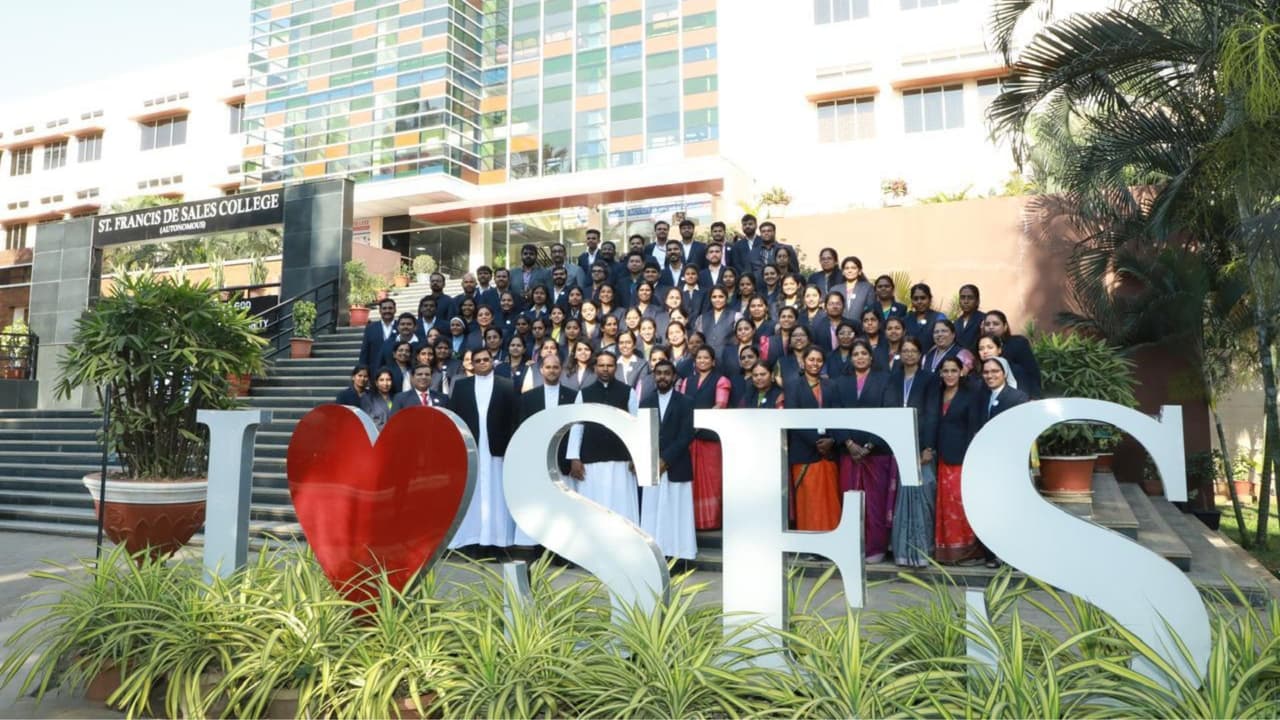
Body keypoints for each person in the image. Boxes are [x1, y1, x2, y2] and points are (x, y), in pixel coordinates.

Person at [448, 347, 518, 550]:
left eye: (486, 359)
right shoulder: (461, 386)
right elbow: (454, 418)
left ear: (492, 361)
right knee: (472, 494)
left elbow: (513, 418)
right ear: (472, 364)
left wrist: (510, 447)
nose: (482, 363)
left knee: (497, 495)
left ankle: (497, 542)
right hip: (471, 449)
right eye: (477, 360)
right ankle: (471, 540)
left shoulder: (506, 385)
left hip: (498, 449)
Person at [833, 340, 894, 562]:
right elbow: (835, 413)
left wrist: (869, 445)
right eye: (855, 354)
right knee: (850, 500)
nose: (859, 357)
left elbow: (888, 413)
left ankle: (875, 548)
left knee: (875, 503)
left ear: (871, 357)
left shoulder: (885, 380)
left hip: (876, 453)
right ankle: (852, 546)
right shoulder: (840, 382)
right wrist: (848, 443)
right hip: (848, 452)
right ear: (850, 359)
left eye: (863, 353)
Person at [567, 352, 641, 523]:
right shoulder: (584, 393)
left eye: (609, 365)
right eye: (601, 365)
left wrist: (636, 457)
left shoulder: (628, 392)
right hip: (591, 460)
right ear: (595, 368)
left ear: (616, 367)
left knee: (621, 507)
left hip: (621, 461)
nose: (605, 369)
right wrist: (574, 457)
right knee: (593, 507)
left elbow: (636, 426)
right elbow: (577, 425)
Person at [513, 352, 578, 547]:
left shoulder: (573, 396)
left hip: (562, 458)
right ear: (541, 370)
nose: (552, 371)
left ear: (561, 370)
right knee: (539, 503)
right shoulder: (528, 398)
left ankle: (562, 547)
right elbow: (523, 429)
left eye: (556, 367)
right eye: (548, 367)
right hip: (537, 457)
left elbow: (576, 428)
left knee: (563, 505)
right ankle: (537, 546)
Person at [885, 337, 939, 568]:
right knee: (901, 499)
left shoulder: (930, 378)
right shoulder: (893, 378)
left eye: (913, 351)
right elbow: (887, 410)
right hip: (898, 444)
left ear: (920, 354)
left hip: (921, 446)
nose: (908, 354)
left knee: (922, 497)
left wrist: (928, 448)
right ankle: (902, 551)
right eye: (905, 350)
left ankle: (922, 551)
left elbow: (933, 413)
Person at [972, 356, 1030, 567]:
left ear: (1004, 373)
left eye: (995, 371)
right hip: (985, 463)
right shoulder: (980, 396)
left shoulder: (1018, 397)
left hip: (1008, 463)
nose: (990, 376)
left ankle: (1013, 556)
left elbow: (1019, 429)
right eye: (986, 372)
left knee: (1009, 510)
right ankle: (991, 555)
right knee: (989, 509)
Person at [638, 359, 697, 560]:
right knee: (653, 512)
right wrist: (652, 459)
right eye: (659, 373)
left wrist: (666, 459)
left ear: (674, 377)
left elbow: (686, 435)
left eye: (666, 373)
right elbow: (642, 434)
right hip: (652, 466)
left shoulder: (686, 402)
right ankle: (654, 555)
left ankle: (680, 555)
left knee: (677, 512)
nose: (662, 377)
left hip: (677, 464)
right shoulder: (646, 402)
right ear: (654, 376)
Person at [933, 356, 982, 565]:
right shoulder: (937, 394)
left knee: (961, 502)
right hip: (941, 457)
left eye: (954, 370)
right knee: (945, 505)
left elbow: (974, 428)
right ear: (940, 373)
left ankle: (968, 551)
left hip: (962, 458)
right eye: (946, 371)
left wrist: (971, 456)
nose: (950, 375)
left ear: (962, 372)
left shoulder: (970, 395)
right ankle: (948, 552)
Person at [785, 346, 841, 531]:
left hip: (829, 452)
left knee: (830, 499)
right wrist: (817, 442)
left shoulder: (831, 385)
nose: (815, 364)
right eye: (811, 359)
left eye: (819, 360)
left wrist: (831, 440)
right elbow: (793, 418)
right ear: (803, 362)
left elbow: (838, 415)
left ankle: (832, 538)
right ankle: (810, 541)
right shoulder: (793, 386)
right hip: (805, 452)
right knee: (809, 501)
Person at [679, 346, 732, 531]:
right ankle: (692, 521)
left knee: (712, 480)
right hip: (690, 438)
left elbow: (720, 405)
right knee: (691, 480)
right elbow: (682, 405)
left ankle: (712, 521)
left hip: (710, 437)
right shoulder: (687, 381)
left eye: (706, 358)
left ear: (713, 361)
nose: (702, 361)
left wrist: (700, 423)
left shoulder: (721, 380)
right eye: (699, 358)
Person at [981, 310, 1042, 398]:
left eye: (996, 324)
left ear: (1005, 326)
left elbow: (1032, 371)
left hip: (1020, 392)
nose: (991, 327)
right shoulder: (981, 346)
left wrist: (1034, 396)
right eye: (987, 324)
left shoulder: (1018, 343)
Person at [695, 286, 739, 355]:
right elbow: (698, 340)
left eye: (721, 297)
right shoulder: (702, 318)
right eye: (714, 297)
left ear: (726, 298)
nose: (717, 300)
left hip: (728, 357)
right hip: (707, 358)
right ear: (710, 299)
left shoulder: (736, 316)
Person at [907, 283, 948, 353]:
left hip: (933, 358)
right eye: (915, 299)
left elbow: (946, 341)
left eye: (923, 298)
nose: (919, 301)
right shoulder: (907, 319)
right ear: (911, 300)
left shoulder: (939, 317)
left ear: (930, 299)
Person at [358, 298, 397, 368]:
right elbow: (365, 351)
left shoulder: (401, 326)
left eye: (390, 308)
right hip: (375, 369)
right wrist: (362, 368)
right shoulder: (371, 328)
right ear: (380, 310)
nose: (387, 311)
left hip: (396, 369)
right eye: (384, 308)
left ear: (395, 310)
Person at [833, 257, 874, 322]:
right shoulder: (835, 289)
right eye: (847, 268)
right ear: (843, 272)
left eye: (853, 268)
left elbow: (871, 309)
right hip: (840, 326)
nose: (850, 271)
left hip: (860, 326)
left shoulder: (867, 288)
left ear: (859, 271)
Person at [954, 284, 986, 352]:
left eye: (970, 298)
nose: (966, 301)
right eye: (962, 297)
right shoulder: (956, 323)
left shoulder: (984, 319)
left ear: (977, 301)